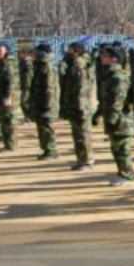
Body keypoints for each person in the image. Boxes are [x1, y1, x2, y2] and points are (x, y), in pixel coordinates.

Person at [98, 45, 134, 186]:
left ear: (114, 58)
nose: (101, 57)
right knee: (116, 148)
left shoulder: (118, 77)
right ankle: (122, 172)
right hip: (115, 117)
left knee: (122, 149)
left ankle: (127, 175)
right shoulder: (110, 75)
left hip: (122, 119)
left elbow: (118, 99)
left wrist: (112, 118)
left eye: (105, 55)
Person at [59, 42, 94, 170]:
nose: (67, 51)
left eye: (69, 49)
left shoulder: (78, 65)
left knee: (82, 134)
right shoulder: (73, 63)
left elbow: (81, 87)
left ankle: (86, 161)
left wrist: (80, 107)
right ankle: (82, 159)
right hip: (76, 104)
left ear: (75, 51)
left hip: (80, 106)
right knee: (78, 134)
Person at [27, 43, 59, 159]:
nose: (34, 55)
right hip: (40, 102)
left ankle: (51, 150)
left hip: (46, 104)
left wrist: (48, 104)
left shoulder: (46, 67)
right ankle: (46, 149)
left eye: (37, 52)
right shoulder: (39, 66)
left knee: (47, 127)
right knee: (42, 127)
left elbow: (49, 87)